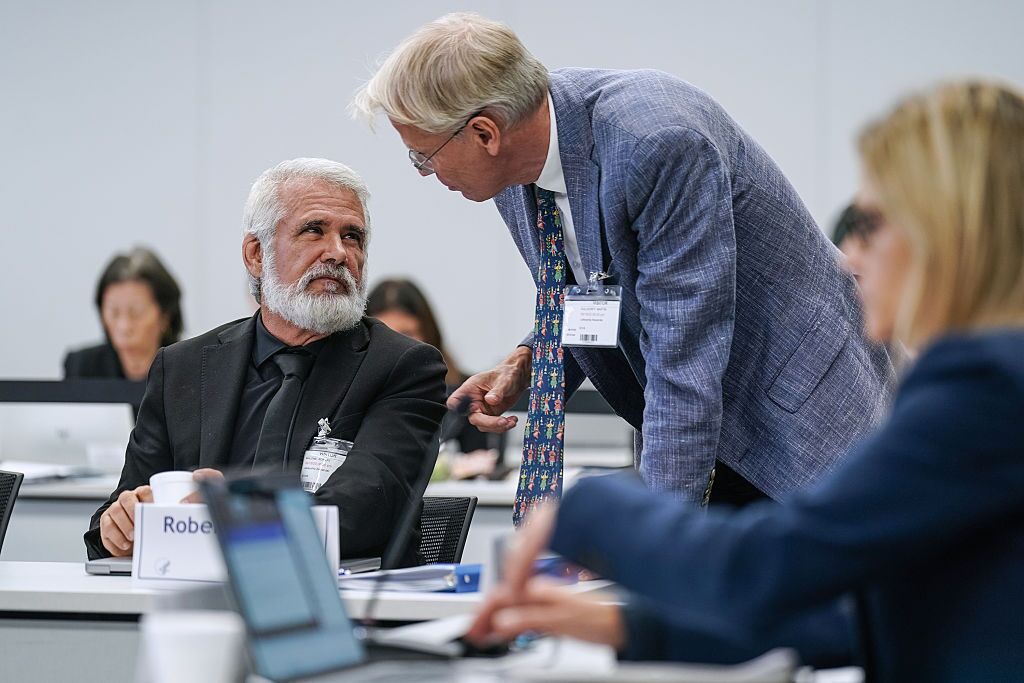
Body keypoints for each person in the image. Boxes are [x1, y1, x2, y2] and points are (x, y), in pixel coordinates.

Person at [469, 81, 1024, 681]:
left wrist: (583, 506)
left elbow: (767, 566)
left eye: (871, 224)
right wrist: (623, 627)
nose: (849, 257)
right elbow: (861, 615)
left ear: (949, 236)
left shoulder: (985, 388)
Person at [352, 13, 895, 519]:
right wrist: (532, 358)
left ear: (485, 133)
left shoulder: (656, 143)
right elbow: (601, 291)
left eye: (423, 155)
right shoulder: (514, 169)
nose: (424, 171)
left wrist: (653, 541)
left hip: (791, 416)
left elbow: (685, 356)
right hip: (700, 421)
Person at [84, 158, 447, 566]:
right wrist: (120, 529)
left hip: (343, 607)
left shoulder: (402, 366)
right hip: (193, 598)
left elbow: (362, 511)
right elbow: (119, 511)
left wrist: (234, 511)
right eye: (314, 230)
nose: (339, 252)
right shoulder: (183, 367)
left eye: (353, 237)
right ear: (256, 254)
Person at [366, 278, 492, 454]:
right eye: (385, 334)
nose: (395, 345)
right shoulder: (354, 394)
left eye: (407, 334)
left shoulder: (466, 391)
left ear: (428, 332)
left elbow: (480, 463)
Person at [64, 247, 183, 380]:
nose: (124, 327)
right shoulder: (83, 367)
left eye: (136, 313)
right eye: (114, 313)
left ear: (164, 317)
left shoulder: (188, 367)